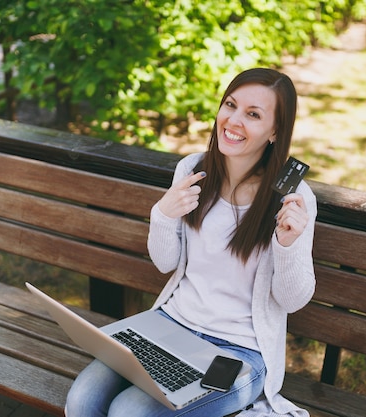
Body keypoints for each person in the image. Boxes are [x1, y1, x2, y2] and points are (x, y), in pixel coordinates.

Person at [65, 67, 317, 417]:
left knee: (130, 412)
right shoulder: (192, 171)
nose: (233, 120)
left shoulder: (292, 197)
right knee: (82, 400)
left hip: (238, 352)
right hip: (171, 325)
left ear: (275, 131)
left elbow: (292, 299)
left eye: (253, 114)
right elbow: (165, 263)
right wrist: (163, 214)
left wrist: (288, 246)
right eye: (230, 104)